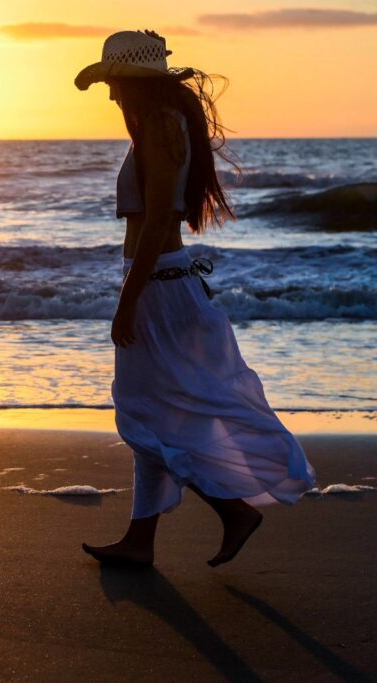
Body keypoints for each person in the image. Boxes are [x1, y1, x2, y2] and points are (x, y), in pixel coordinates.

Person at [73, 30, 316, 567]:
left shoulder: (161, 126)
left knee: (140, 414)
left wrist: (127, 300)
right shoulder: (159, 123)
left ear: (132, 80)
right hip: (163, 281)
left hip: (158, 286)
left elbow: (159, 219)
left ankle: (234, 511)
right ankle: (140, 541)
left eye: (114, 81)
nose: (110, 93)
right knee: (151, 412)